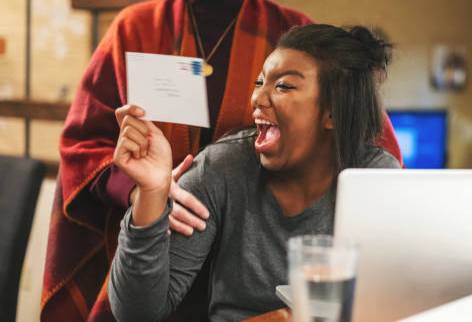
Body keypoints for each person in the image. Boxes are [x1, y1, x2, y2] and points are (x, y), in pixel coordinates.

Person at [41, 0, 402, 320]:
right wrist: (148, 195)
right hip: (162, 242)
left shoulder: (292, 31)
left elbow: (367, 138)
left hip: (254, 259)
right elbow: (82, 142)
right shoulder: (136, 29)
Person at [108, 24, 402, 321]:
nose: (257, 98)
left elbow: (392, 300)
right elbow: (136, 314)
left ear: (333, 112)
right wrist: (151, 193)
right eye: (259, 82)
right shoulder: (221, 167)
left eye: (283, 86)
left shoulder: (376, 178)